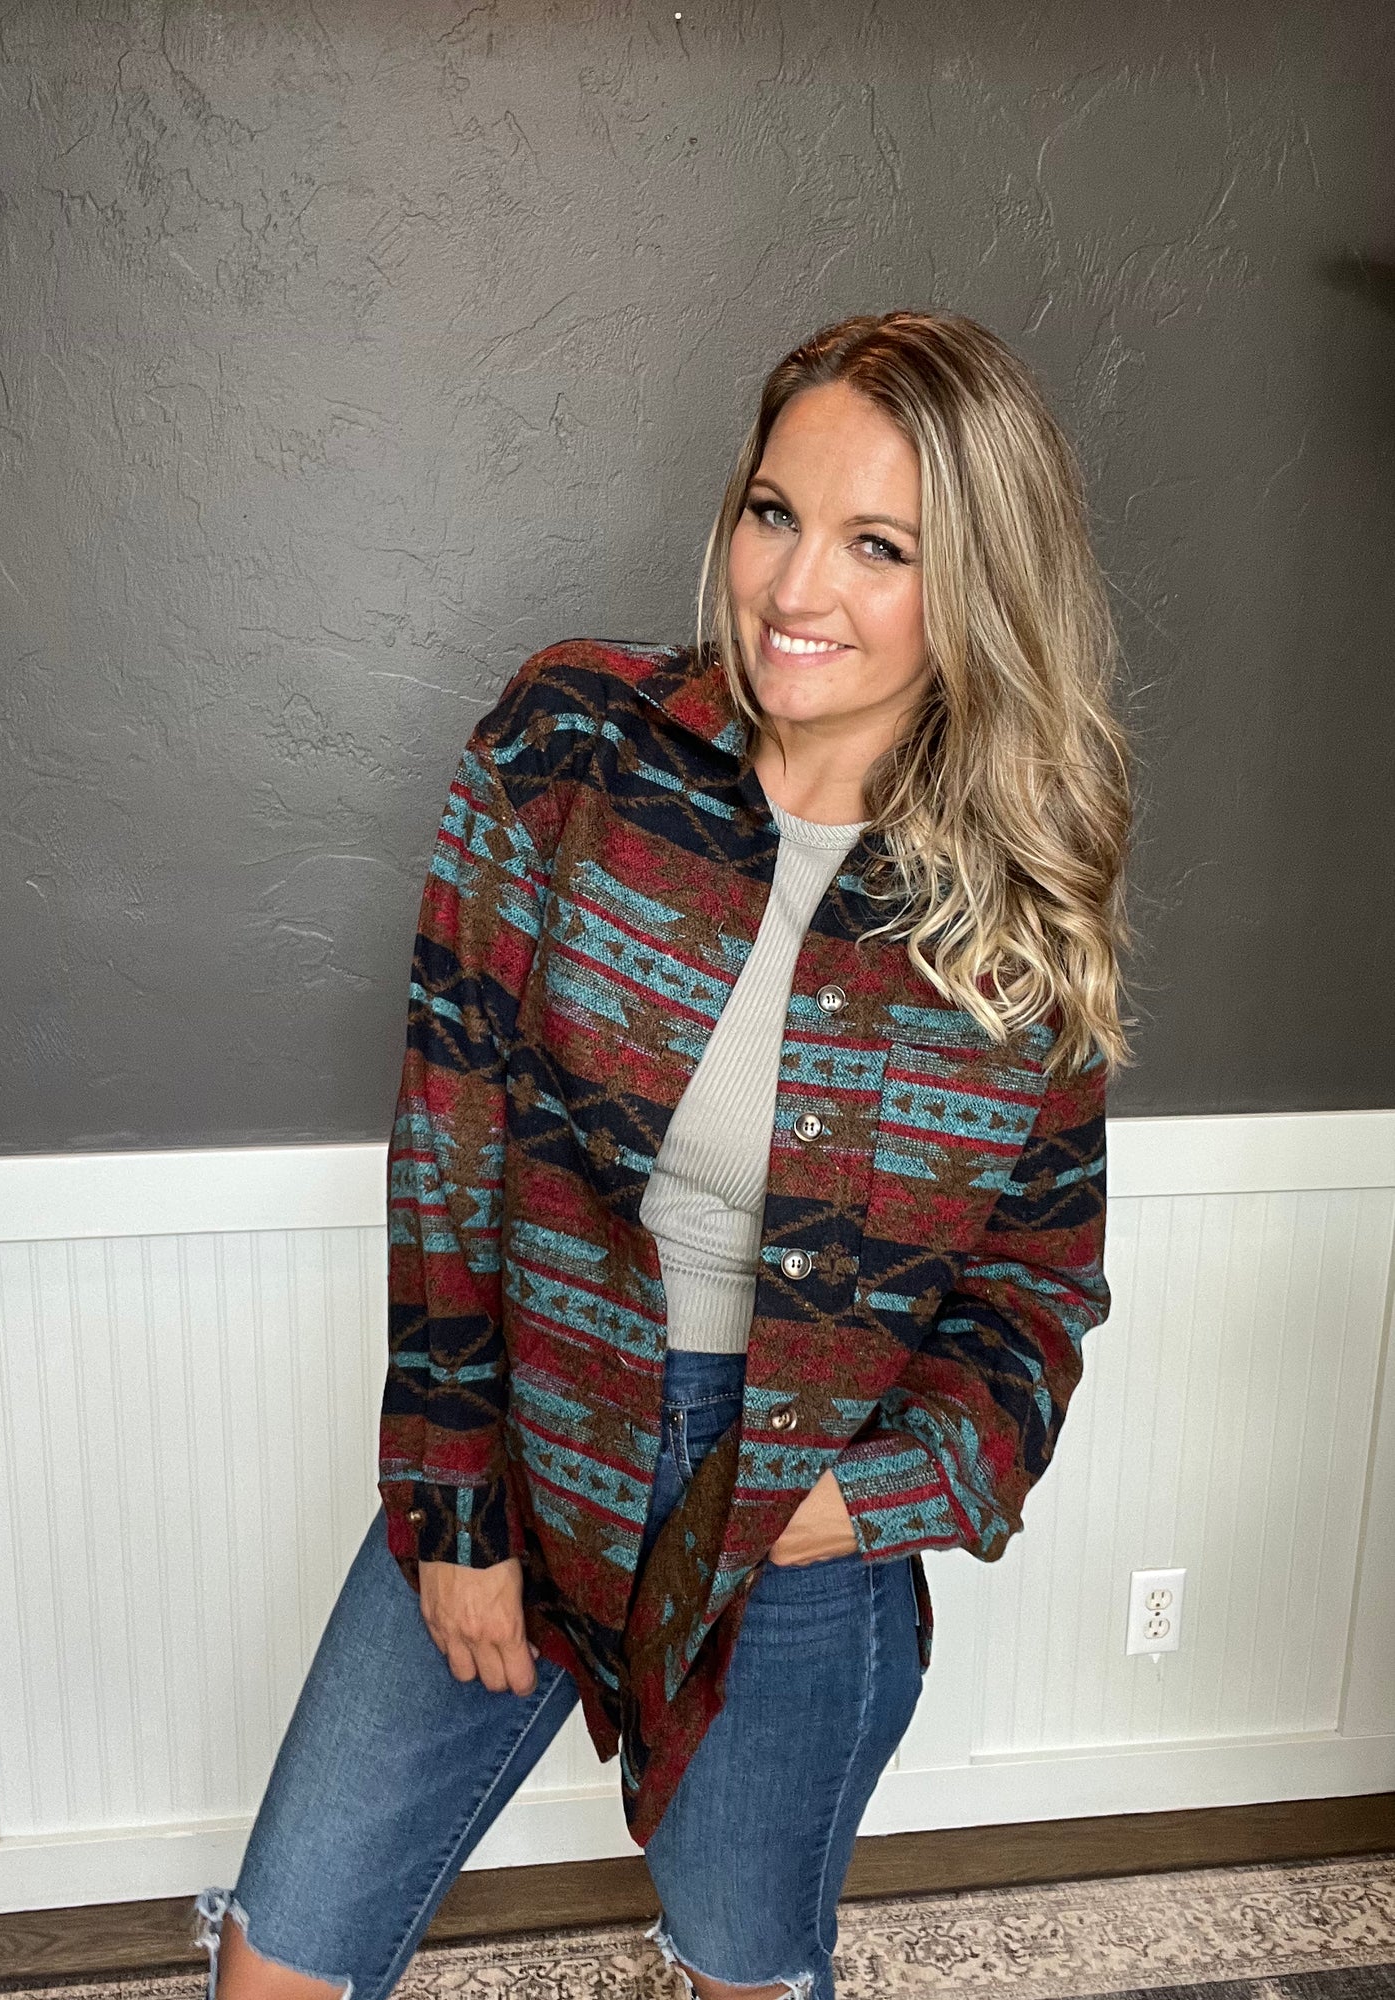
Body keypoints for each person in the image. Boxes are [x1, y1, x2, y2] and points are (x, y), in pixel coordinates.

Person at [194, 309, 1133, 2000]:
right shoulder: (573, 746)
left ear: (984, 583)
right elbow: (452, 1154)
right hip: (534, 1432)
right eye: (775, 513)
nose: (796, 587)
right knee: (280, 1955)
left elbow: (1035, 1297)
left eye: (880, 546)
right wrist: (456, 1503)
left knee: (737, 1973)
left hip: (795, 1521)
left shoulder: (1016, 905)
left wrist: (843, 1507)